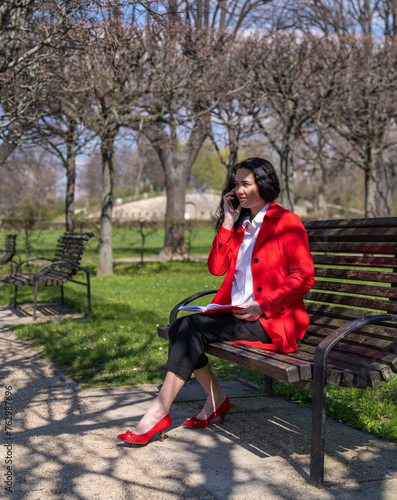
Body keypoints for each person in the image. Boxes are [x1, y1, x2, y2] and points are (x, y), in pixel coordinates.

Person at [117, 157, 315, 444]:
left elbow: (304, 276)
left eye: (246, 184)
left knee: (188, 329)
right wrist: (228, 222)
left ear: (264, 185)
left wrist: (264, 305)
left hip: (270, 320)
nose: (238, 190)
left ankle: (160, 411)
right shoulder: (241, 226)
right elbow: (216, 268)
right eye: (236, 184)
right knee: (179, 327)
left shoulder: (286, 222)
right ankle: (215, 399)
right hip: (235, 314)